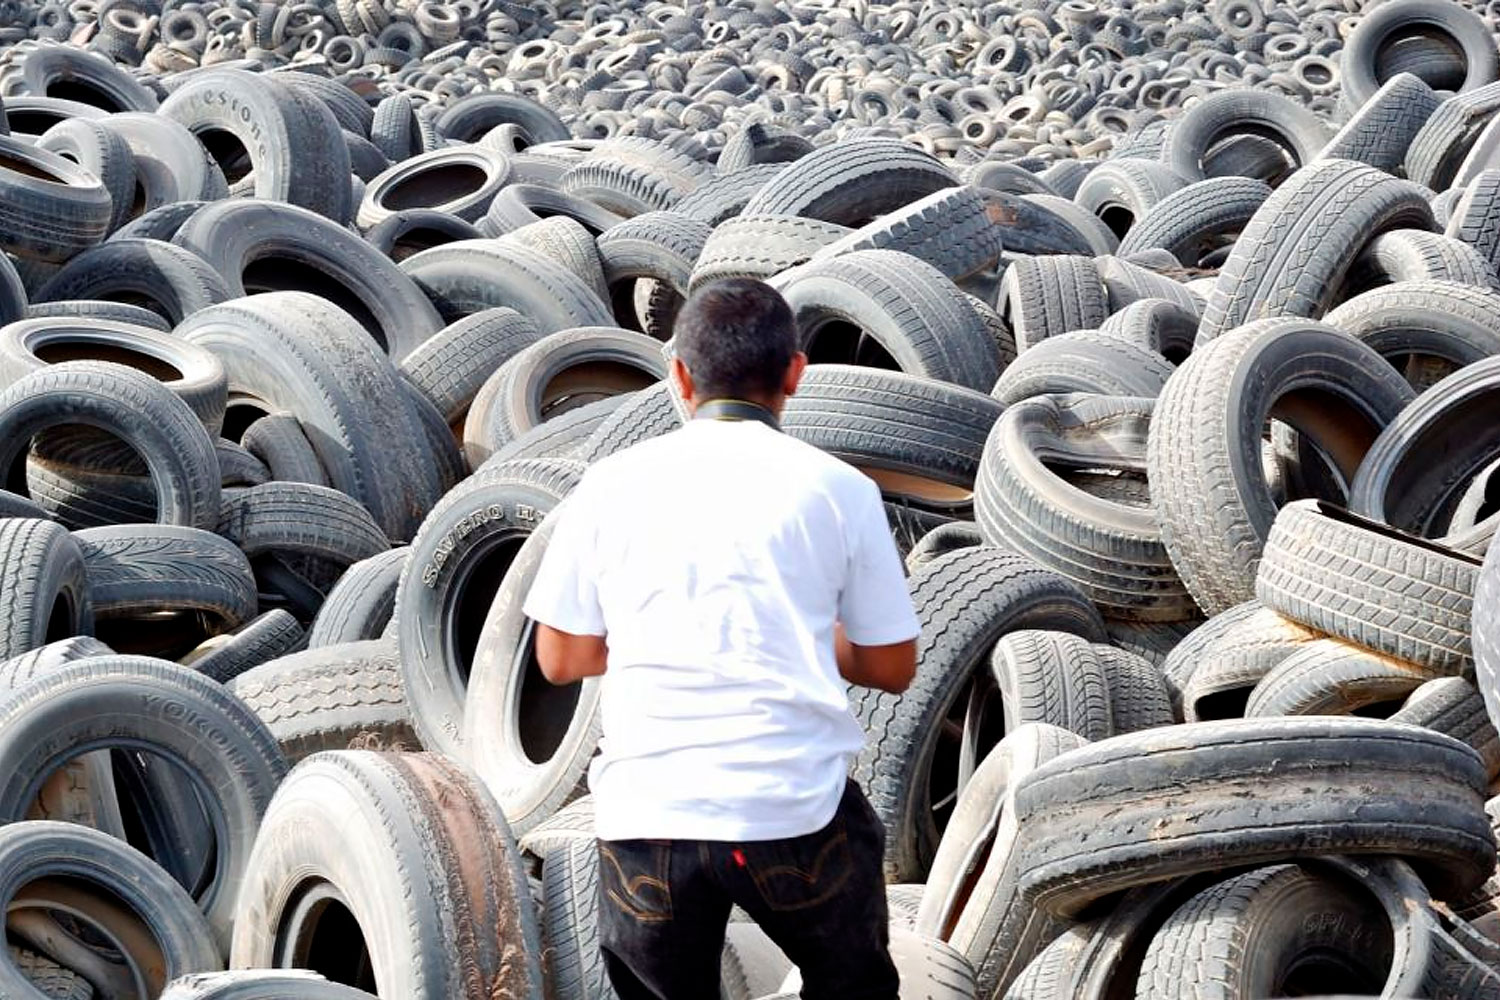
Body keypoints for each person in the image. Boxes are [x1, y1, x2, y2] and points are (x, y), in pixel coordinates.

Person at [521, 277, 921, 1000]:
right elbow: (893, 667)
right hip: (795, 810)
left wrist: (660, 631)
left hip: (651, 817)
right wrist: (799, 636)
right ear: (796, 372)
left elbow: (560, 657)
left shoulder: (609, 484)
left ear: (679, 376)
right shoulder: (839, 490)